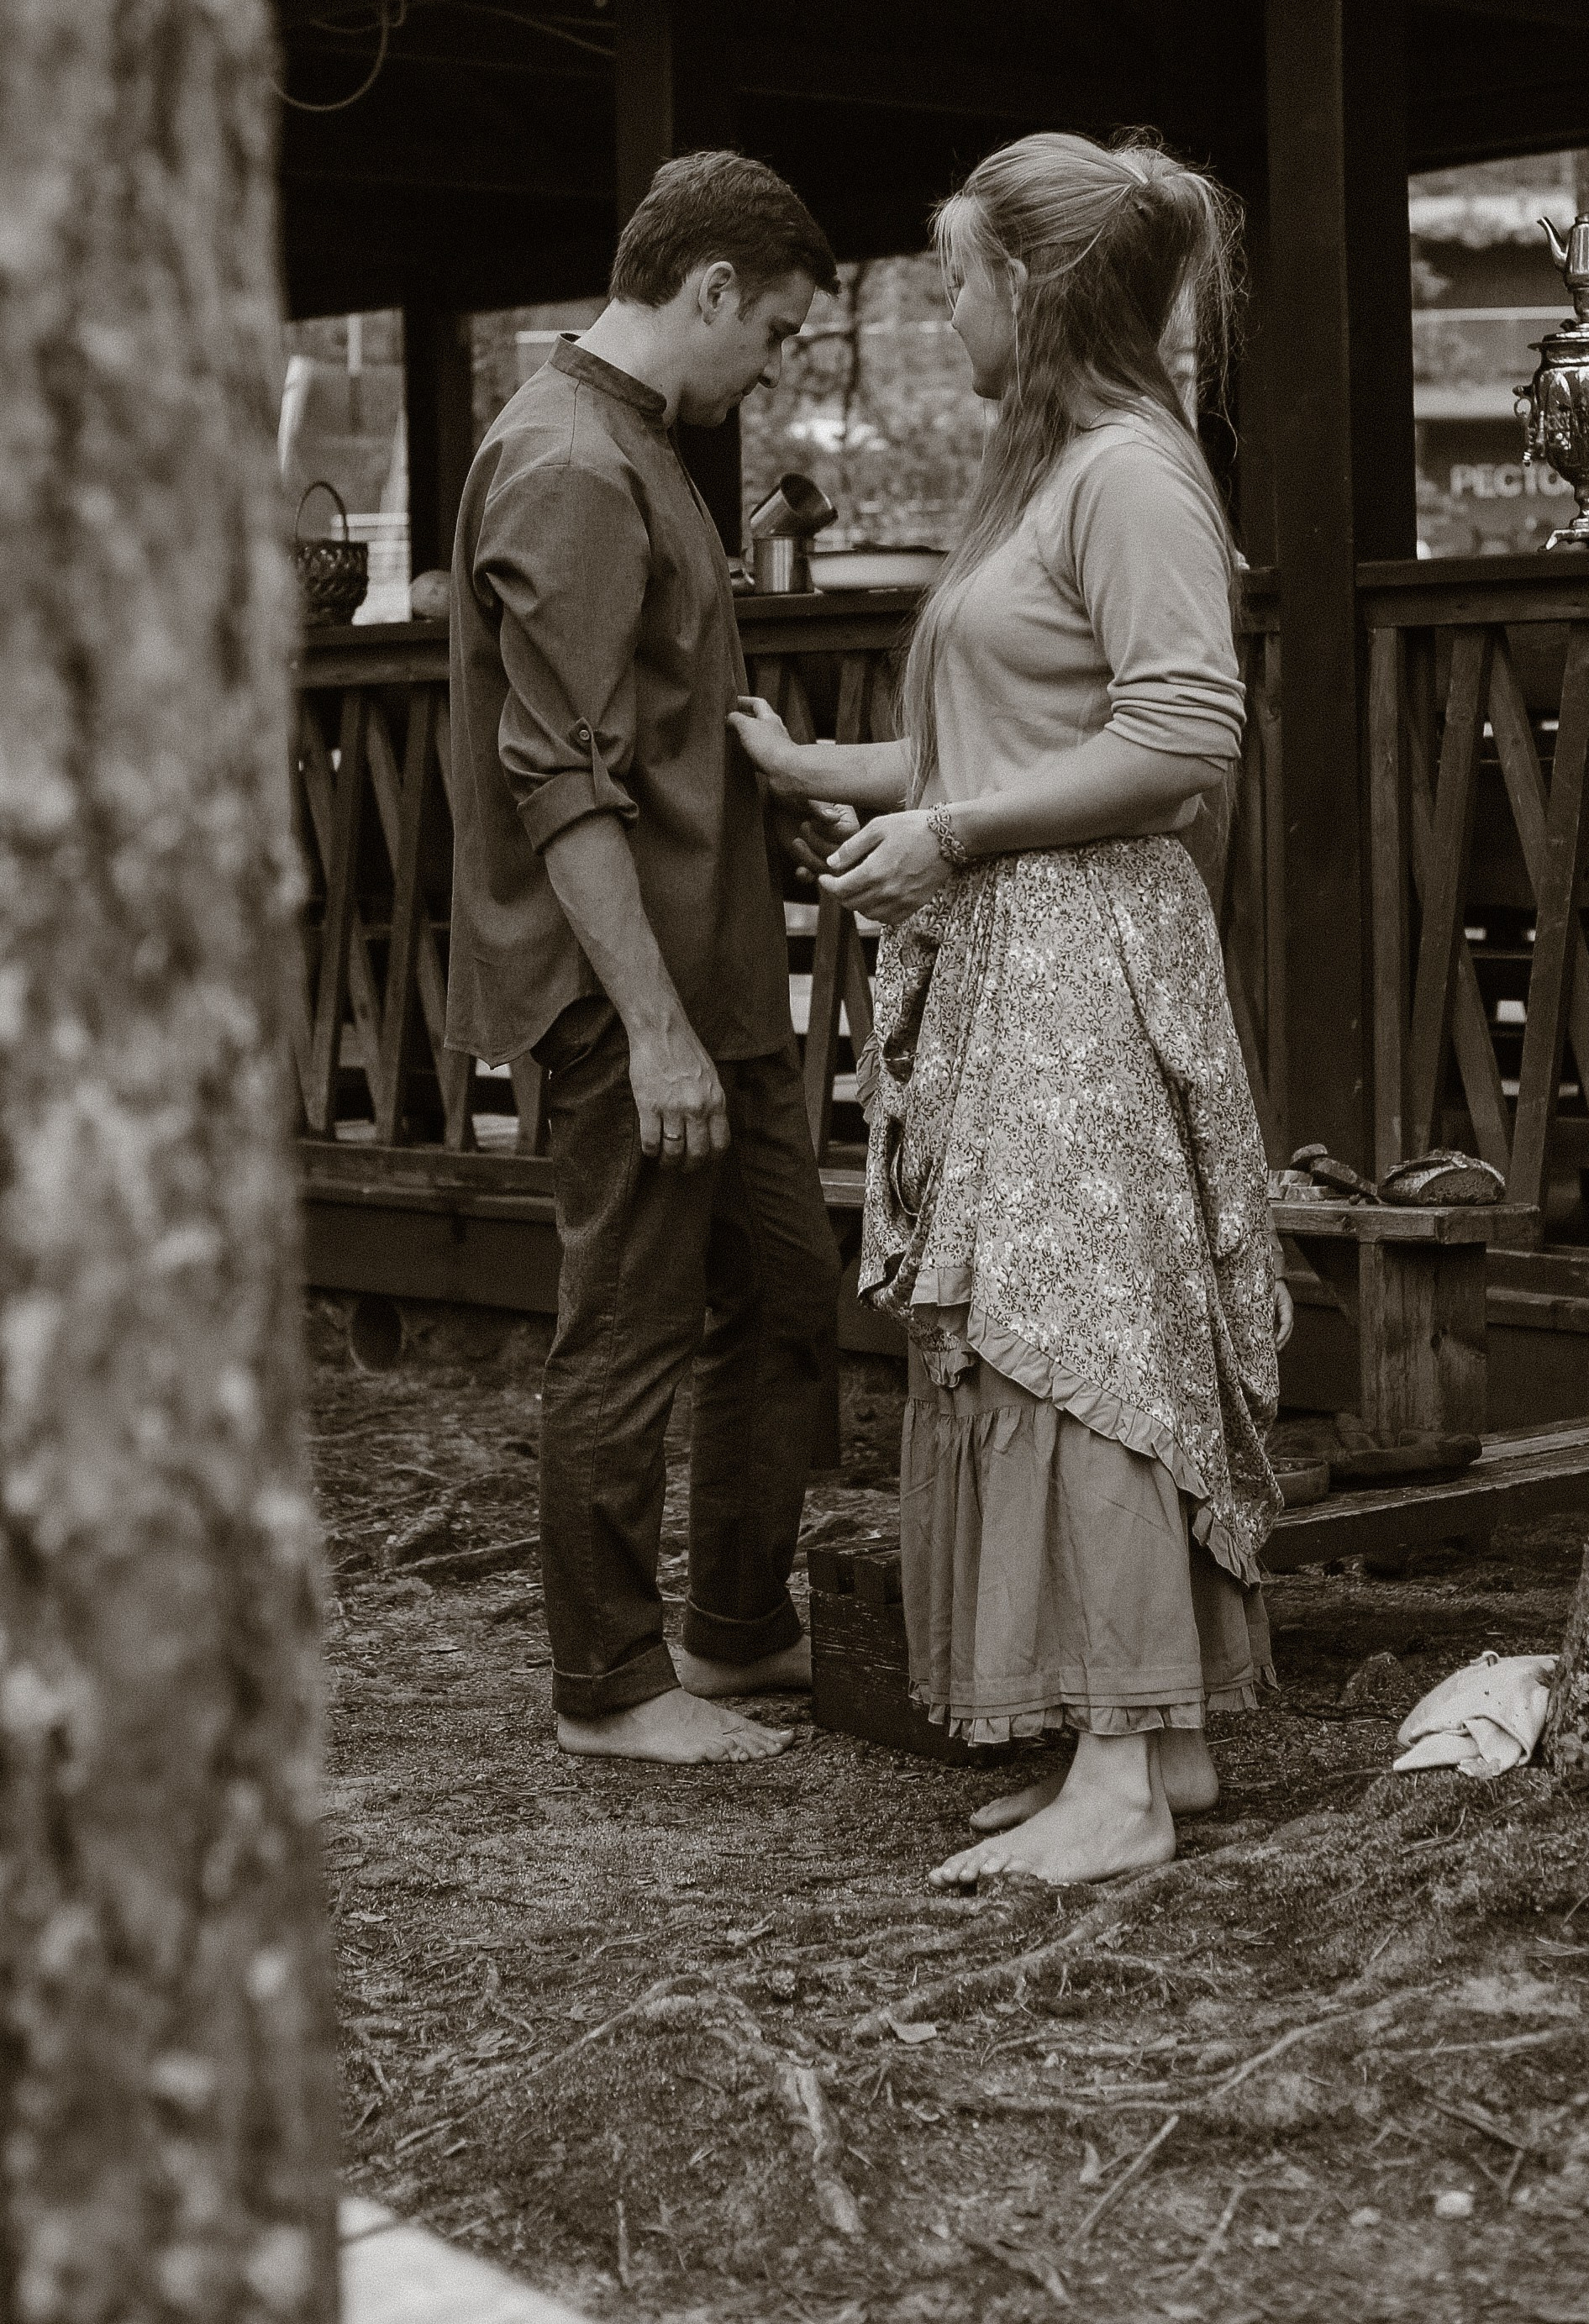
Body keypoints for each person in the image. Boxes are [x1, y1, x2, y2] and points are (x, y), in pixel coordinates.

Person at [732, 129, 1292, 1882]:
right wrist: (830, 768)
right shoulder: (1041, 474)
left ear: (1032, 291)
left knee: (1081, 1341)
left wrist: (953, 830)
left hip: (1083, 958)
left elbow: (1184, 736)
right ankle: (1154, 1746)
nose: (944, 302)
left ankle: (1117, 1787)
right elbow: (1016, 733)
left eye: (960, 272)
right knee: (1046, 1333)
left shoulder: (1127, 473)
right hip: (1016, 953)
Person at [446, 150, 845, 1767]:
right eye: (785, 335)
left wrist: (778, 796)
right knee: (628, 1324)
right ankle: (607, 1682)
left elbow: (655, 720)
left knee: (790, 1294)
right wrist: (656, 1032)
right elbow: (559, 774)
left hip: (717, 976)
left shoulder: (640, 447)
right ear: (712, 293)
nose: (783, 366)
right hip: (635, 997)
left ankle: (739, 1629)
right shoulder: (564, 462)